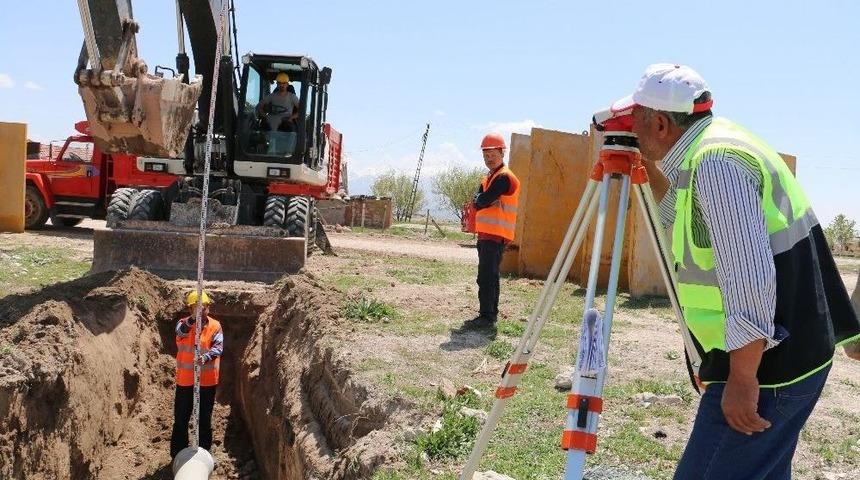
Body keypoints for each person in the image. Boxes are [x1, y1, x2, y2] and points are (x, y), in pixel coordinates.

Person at [609, 63, 860, 479]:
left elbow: (749, 278)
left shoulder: (716, 165)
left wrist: (742, 379)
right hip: (791, 353)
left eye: (633, 121)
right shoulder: (711, 147)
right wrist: (641, 163)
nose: (629, 128)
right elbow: (673, 209)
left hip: (768, 368)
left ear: (658, 124)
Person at [461, 133, 520, 329]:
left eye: (492, 154)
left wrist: (482, 200)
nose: (488, 158)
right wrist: (481, 200)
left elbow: (482, 200)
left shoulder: (504, 178)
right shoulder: (489, 177)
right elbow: (478, 199)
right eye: (485, 155)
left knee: (487, 276)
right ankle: (489, 314)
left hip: (496, 235)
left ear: (502, 153)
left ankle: (487, 317)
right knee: (488, 276)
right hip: (487, 235)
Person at [170, 289, 224, 459]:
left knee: (204, 419)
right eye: (196, 308)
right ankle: (178, 454)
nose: (201, 310)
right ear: (190, 309)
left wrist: (205, 357)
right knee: (181, 418)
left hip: (207, 382)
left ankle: (204, 454)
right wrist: (193, 320)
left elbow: (218, 348)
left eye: (204, 307)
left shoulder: (215, 326)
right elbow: (181, 332)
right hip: (186, 381)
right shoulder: (183, 323)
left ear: (208, 308)